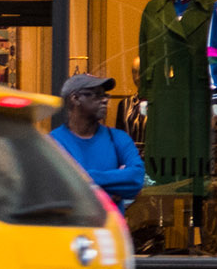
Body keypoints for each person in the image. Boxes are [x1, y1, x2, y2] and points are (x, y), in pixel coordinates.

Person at [47, 73, 148, 212]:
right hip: (72, 231)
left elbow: (136, 179)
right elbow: (56, 191)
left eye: (105, 95)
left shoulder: (118, 138)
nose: (105, 100)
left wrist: (81, 177)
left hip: (110, 231)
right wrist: (114, 185)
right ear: (75, 98)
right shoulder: (53, 143)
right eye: (96, 95)